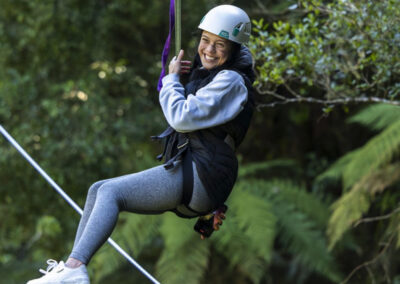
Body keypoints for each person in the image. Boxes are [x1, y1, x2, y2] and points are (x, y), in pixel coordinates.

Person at [27, 4, 254, 284]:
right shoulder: (216, 75)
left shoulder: (232, 80)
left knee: (111, 192)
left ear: (234, 49)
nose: (209, 49)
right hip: (198, 170)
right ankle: (70, 270)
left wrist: (172, 81)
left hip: (203, 174)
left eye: (220, 45)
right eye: (205, 40)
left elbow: (182, 117)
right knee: (98, 189)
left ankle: (74, 269)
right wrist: (184, 78)